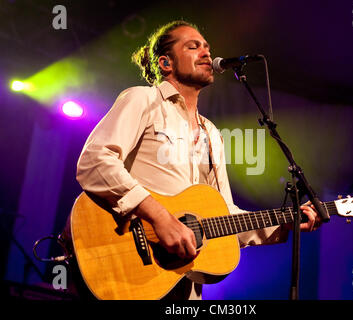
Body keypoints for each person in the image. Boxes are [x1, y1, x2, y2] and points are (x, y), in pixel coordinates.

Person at [70, 20, 321, 300]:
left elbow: (223, 216)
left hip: (181, 284)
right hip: (126, 261)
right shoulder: (143, 99)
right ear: (166, 63)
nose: (206, 53)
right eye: (193, 46)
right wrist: (160, 217)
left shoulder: (212, 133)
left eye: (206, 47)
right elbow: (95, 160)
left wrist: (283, 224)